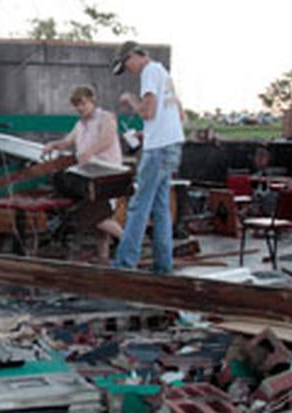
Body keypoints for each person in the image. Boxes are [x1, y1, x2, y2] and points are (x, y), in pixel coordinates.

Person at [109, 41, 186, 274]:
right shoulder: (164, 73)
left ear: (134, 55)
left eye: (126, 64)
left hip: (159, 149)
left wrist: (130, 100)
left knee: (138, 207)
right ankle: (163, 266)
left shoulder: (149, 72)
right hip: (172, 145)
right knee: (161, 209)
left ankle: (124, 265)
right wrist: (147, 133)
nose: (129, 70)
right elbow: (178, 115)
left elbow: (147, 111)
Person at [42, 85, 126, 261]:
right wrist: (53, 144)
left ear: (92, 101)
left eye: (83, 104)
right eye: (77, 105)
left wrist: (89, 151)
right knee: (99, 222)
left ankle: (129, 242)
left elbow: (107, 138)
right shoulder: (80, 124)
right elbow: (67, 141)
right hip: (89, 177)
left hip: (107, 176)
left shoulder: (106, 117)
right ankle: (104, 259)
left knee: (95, 216)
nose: (80, 108)